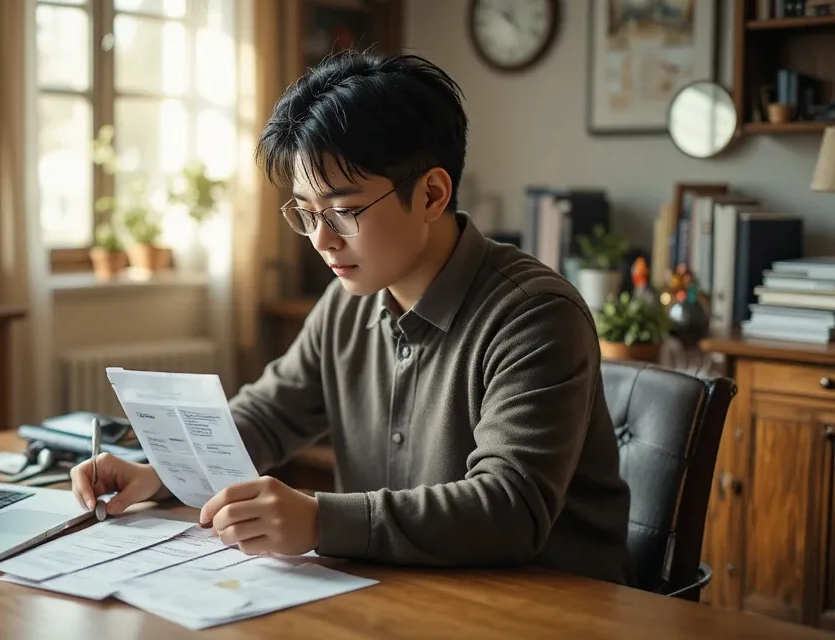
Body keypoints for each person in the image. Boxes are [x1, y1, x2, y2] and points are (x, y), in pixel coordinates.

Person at [69, 50, 632, 585]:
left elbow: (508, 509)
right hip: (400, 590)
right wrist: (160, 473)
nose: (320, 240)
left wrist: (319, 521)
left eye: (341, 211)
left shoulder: (533, 316)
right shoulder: (349, 299)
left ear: (433, 194)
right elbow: (269, 413)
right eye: (307, 213)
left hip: (544, 604)